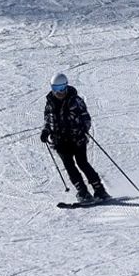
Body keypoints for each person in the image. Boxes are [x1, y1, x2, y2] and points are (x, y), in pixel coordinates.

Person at [40, 73, 110, 202]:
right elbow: (48, 119)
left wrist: (84, 127)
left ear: (66, 87)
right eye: (55, 89)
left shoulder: (75, 100)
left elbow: (86, 117)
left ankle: (100, 190)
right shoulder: (50, 103)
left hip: (76, 139)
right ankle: (83, 192)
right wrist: (45, 131)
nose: (59, 92)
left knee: (82, 163)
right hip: (60, 141)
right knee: (69, 166)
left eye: (61, 89)